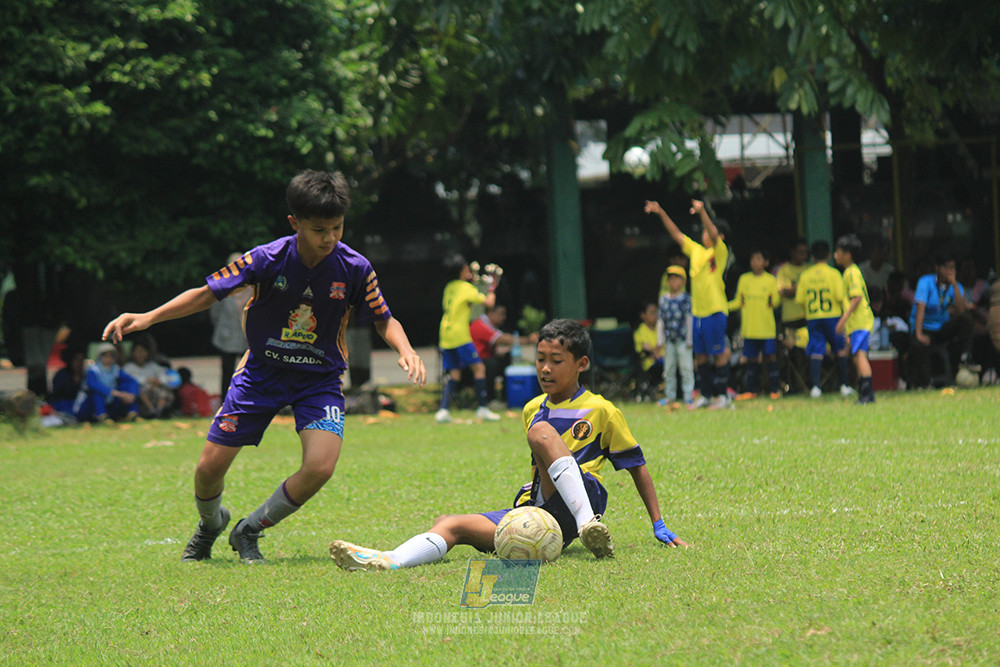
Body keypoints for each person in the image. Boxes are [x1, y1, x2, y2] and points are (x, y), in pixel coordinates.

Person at [102, 169, 426, 564]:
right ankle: (210, 524)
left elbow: (383, 318)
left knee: (320, 466)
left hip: (318, 380)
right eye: (319, 229)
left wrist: (405, 348)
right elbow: (206, 295)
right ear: (295, 223)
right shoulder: (266, 259)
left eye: (337, 227)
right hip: (260, 375)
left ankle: (249, 530)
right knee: (208, 469)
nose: (330, 238)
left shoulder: (355, 268)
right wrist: (148, 317)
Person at [328, 319, 688, 571]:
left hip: (583, 500)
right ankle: (389, 560)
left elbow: (635, 465)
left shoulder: (602, 409)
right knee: (449, 523)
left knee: (542, 434)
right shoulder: (533, 408)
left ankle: (587, 525)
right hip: (541, 512)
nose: (545, 369)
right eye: (540, 360)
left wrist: (658, 524)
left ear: (581, 364)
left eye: (556, 362)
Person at [645, 199, 732, 409]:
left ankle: (723, 397)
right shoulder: (696, 252)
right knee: (700, 356)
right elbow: (676, 234)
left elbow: (712, 233)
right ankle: (705, 395)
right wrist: (661, 212)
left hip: (715, 311)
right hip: (698, 313)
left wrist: (702, 211)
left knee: (718, 354)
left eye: (708, 231)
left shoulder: (719, 253)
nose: (704, 234)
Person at [435, 256, 501, 423]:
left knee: (454, 374)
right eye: (466, 268)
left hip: (445, 333)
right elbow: (489, 303)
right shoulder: (465, 287)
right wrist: (492, 286)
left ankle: (443, 410)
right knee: (479, 368)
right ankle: (483, 408)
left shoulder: (449, 287)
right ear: (461, 270)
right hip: (460, 334)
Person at [795, 240, 853, 398]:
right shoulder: (834, 274)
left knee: (816, 350)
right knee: (839, 349)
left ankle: (815, 387)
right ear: (829, 255)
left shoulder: (806, 275)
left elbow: (800, 300)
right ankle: (844, 385)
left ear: (812, 257)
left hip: (813, 317)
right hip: (832, 316)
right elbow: (841, 297)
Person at [908, 254, 972, 389]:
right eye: (946, 268)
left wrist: (954, 285)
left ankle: (961, 361)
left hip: (941, 327)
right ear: (937, 268)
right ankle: (925, 383)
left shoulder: (956, 286)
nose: (950, 271)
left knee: (966, 320)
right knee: (917, 344)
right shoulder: (926, 282)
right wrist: (919, 334)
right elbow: (920, 308)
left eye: (952, 268)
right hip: (925, 327)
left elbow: (961, 311)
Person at [728, 249, 782, 400]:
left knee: (770, 357)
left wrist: (775, 297)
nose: (755, 262)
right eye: (753, 259)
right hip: (750, 328)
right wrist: (723, 307)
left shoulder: (770, 280)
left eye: (758, 259)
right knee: (751, 359)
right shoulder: (744, 279)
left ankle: (774, 389)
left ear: (766, 262)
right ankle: (752, 390)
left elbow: (776, 302)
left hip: (767, 328)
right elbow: (738, 301)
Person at [834, 234, 876, 404]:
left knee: (860, 356)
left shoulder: (851, 273)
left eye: (838, 252)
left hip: (860, 321)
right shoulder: (850, 272)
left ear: (848, 254)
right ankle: (863, 394)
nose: (835, 255)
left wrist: (842, 320)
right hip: (858, 323)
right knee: (856, 356)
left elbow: (856, 298)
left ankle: (867, 395)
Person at [210, 252, 252, 398]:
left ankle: (246, 401)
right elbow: (214, 313)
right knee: (227, 371)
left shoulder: (253, 287)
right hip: (226, 336)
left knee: (249, 371)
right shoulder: (221, 287)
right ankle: (224, 402)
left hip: (248, 337)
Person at [469, 303, 525, 402]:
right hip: (473, 364)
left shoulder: (489, 325)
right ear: (490, 313)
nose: (504, 318)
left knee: (504, 359)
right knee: (491, 364)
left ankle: (507, 397)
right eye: (501, 314)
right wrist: (528, 340)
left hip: (483, 360)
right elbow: (502, 339)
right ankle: (489, 400)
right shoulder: (480, 325)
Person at [657, 265, 694, 406]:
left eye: (676, 279)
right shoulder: (664, 299)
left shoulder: (686, 299)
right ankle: (669, 396)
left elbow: (689, 319)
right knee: (669, 369)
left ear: (683, 282)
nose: (673, 282)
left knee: (686, 368)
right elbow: (661, 320)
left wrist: (690, 339)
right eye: (671, 279)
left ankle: (688, 396)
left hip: (684, 339)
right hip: (669, 340)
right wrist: (660, 339)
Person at [80, 342, 141, 422]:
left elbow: (131, 381)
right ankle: (102, 416)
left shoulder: (115, 369)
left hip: (111, 401)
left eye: (111, 357)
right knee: (97, 395)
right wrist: (114, 392)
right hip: (94, 403)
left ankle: (132, 413)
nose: (109, 359)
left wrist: (131, 394)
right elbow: (93, 385)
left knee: (125, 388)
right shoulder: (93, 370)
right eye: (106, 356)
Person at [122, 336, 175, 419]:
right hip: (139, 392)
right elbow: (133, 380)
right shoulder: (128, 367)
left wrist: (158, 382)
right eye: (138, 351)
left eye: (143, 351)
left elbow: (165, 374)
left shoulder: (152, 366)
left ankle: (159, 412)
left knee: (163, 392)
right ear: (133, 353)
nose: (140, 354)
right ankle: (151, 410)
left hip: (154, 390)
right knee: (141, 391)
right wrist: (149, 380)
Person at [633, 300, 664, 399]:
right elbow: (647, 348)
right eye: (651, 313)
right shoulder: (641, 331)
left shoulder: (660, 329)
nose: (655, 315)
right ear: (643, 315)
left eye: (656, 312)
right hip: (650, 363)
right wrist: (656, 351)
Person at [47, 345, 86, 419]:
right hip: (62, 402)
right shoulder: (62, 374)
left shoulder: (86, 374)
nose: (79, 363)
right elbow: (57, 394)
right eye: (77, 360)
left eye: (81, 360)